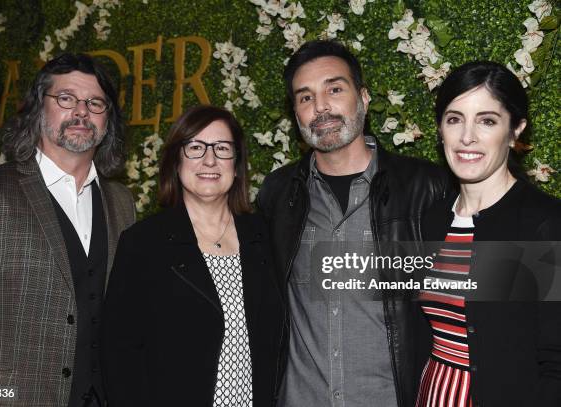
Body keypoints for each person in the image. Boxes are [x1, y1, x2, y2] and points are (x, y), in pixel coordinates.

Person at [256, 40, 450, 407]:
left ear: (362, 98)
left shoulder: (426, 189)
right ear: (295, 113)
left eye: (334, 89)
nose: (321, 107)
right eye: (305, 97)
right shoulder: (278, 195)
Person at [0, 53, 135, 406]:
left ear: (108, 120)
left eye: (95, 103)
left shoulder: (121, 202)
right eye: (66, 99)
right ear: (38, 109)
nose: (81, 111)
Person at [102, 105, 283, 407]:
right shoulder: (143, 243)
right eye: (196, 147)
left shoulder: (265, 237)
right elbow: (119, 353)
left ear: (237, 164)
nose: (209, 160)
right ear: (176, 161)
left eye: (222, 148)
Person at [416, 61, 561, 406]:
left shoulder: (544, 224)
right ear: (440, 129)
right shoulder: (431, 220)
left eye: (487, 121)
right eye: (454, 119)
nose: (467, 137)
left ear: (515, 130)